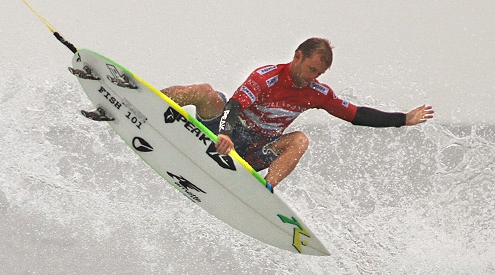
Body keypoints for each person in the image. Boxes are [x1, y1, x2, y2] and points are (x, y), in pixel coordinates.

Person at [162, 38, 434, 189]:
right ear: (298, 56)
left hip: (255, 151)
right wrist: (225, 133)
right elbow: (235, 106)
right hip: (226, 133)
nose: (312, 77)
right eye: (311, 69)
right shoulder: (266, 76)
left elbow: (355, 114)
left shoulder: (317, 92)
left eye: (319, 73)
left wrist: (403, 119)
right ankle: (143, 96)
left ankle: (264, 189)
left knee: (300, 139)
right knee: (205, 92)